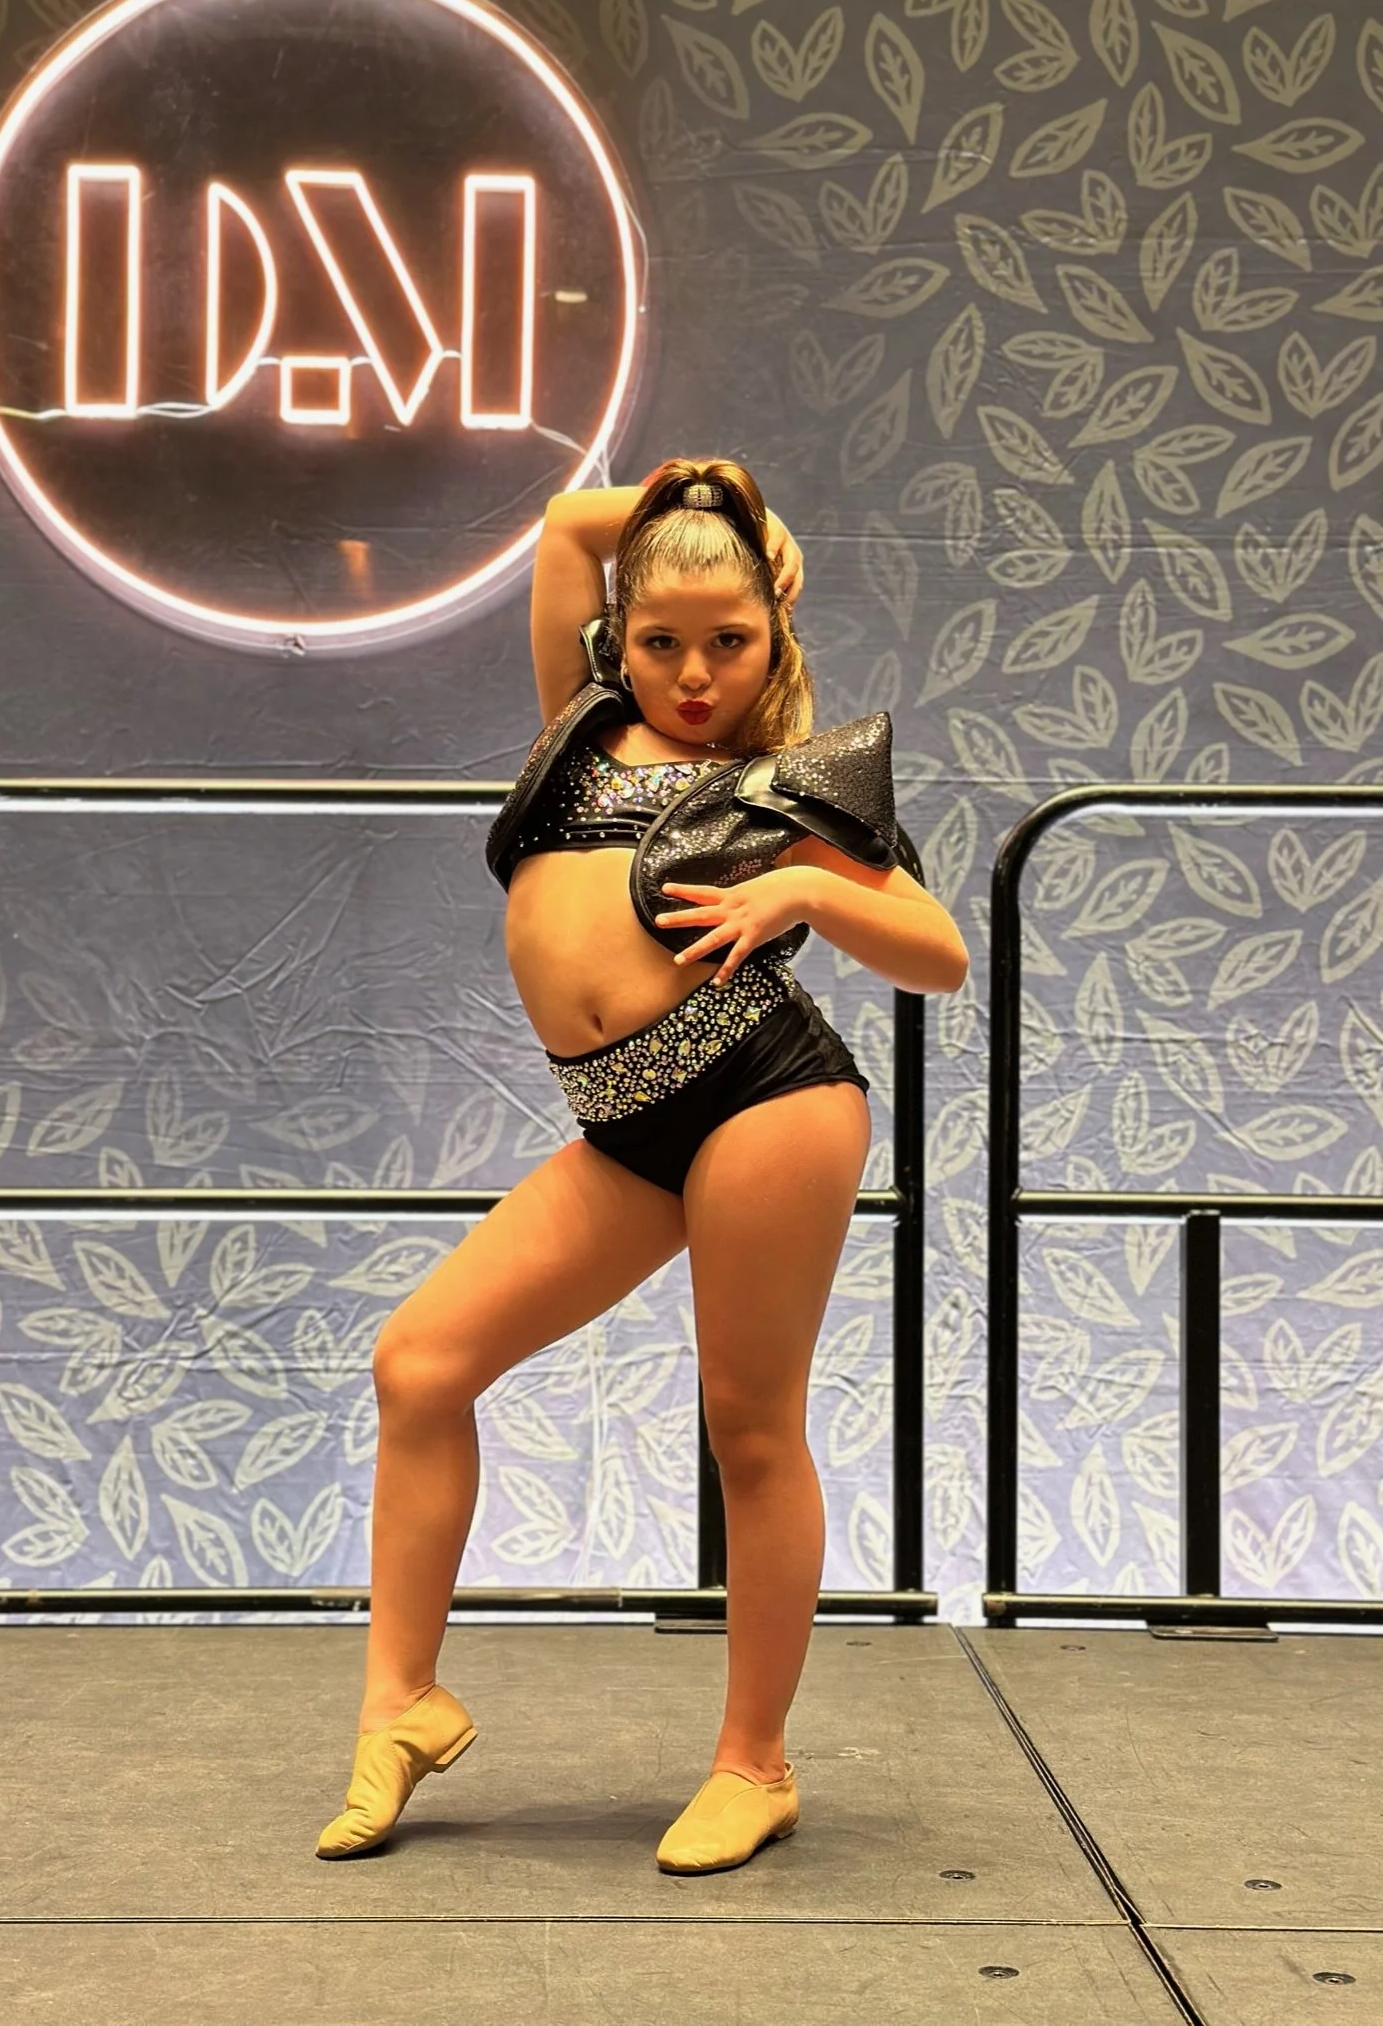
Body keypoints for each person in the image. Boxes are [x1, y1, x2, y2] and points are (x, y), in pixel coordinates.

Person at [316, 458, 969, 1874]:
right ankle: (402, 1704)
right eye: (662, 640)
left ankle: (755, 1764)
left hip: (765, 1100)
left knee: (749, 1426)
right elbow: (569, 522)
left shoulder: (784, 786)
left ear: (775, 639)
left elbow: (942, 955)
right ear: (618, 636)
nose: (694, 673)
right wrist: (730, 509)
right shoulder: (577, 727)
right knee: (419, 1365)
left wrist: (804, 888)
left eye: (730, 641)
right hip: (624, 1129)